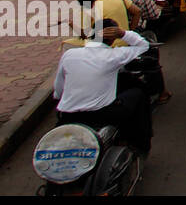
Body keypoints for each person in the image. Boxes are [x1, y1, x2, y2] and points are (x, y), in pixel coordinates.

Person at [53, 19, 153, 153]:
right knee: (138, 94)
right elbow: (143, 46)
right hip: (101, 114)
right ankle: (140, 144)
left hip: (67, 115)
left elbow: (59, 90)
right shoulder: (113, 56)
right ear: (112, 39)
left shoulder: (69, 55)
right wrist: (123, 34)